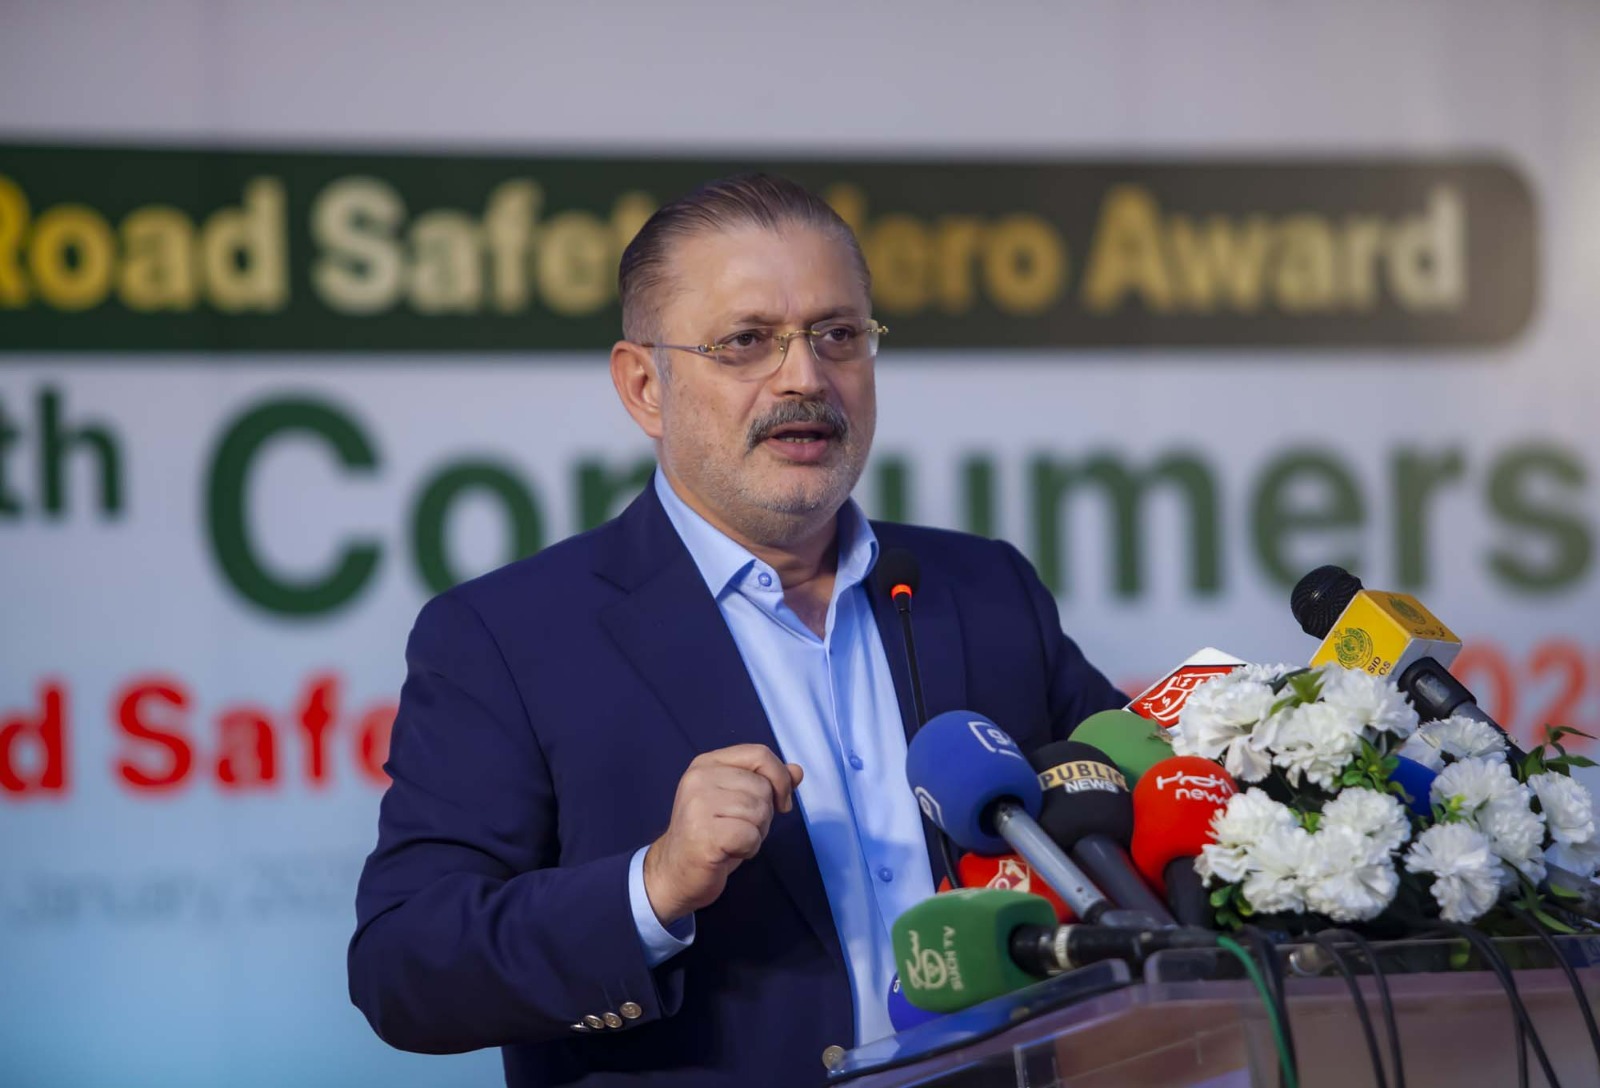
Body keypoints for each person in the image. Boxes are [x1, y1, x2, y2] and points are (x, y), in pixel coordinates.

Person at [349, 174, 1126, 1088]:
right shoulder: (507, 638)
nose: (805, 377)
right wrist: (653, 886)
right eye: (746, 342)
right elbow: (405, 967)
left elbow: (1136, 802)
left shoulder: (985, 590)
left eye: (838, 335)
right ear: (645, 385)